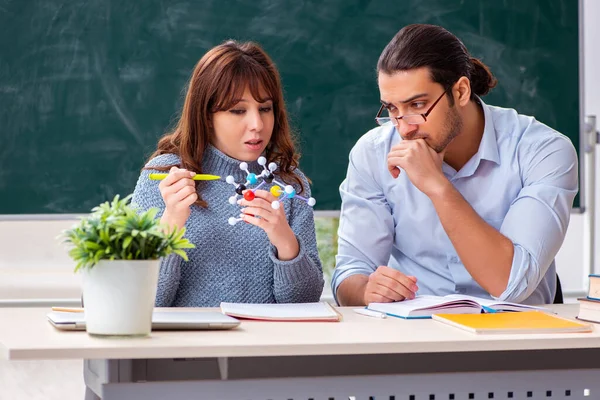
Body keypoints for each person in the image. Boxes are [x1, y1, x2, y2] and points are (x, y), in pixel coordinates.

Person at [332, 24, 578, 306]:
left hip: (519, 333)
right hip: (416, 335)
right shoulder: (372, 152)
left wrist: (437, 186)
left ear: (460, 91)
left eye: (417, 105)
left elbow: (510, 284)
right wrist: (366, 291)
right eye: (392, 109)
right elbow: (350, 275)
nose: (404, 129)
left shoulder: (543, 150)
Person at [132, 40, 324, 307]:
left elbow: (305, 302)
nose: (257, 125)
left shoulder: (289, 185)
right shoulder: (164, 179)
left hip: (261, 346)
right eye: (238, 111)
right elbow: (140, 302)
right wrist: (171, 222)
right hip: (186, 348)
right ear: (206, 114)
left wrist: (284, 239)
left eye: (265, 108)